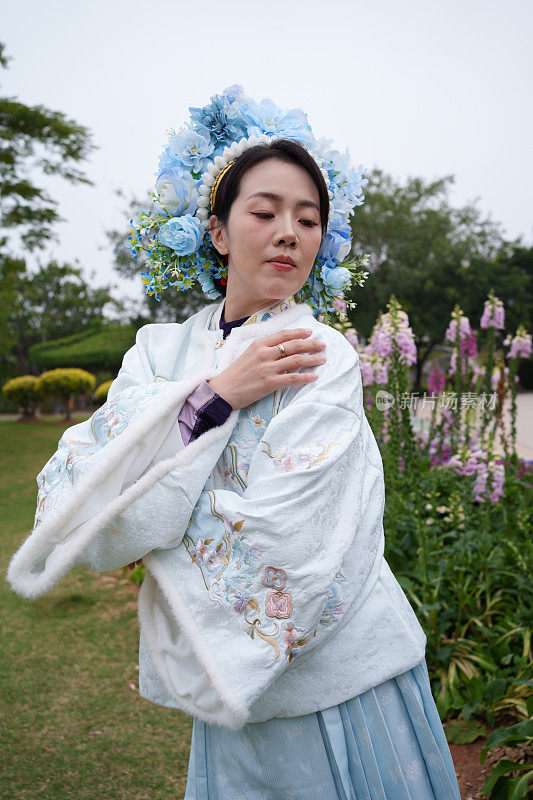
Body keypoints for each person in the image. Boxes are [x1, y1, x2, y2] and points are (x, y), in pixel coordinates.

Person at [7, 87, 460, 799]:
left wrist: (158, 520)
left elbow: (295, 532)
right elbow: (79, 502)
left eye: (308, 219)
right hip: (230, 695)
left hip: (339, 674)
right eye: (264, 211)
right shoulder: (158, 355)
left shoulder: (319, 355)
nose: (288, 232)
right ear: (216, 232)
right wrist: (212, 396)